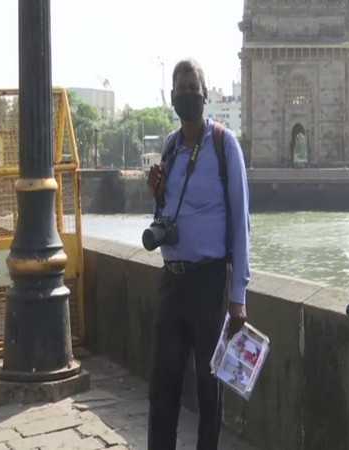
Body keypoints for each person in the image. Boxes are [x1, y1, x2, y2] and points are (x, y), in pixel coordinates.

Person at [146, 58, 251, 450]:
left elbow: (241, 223)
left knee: (210, 390)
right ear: (172, 97)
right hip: (172, 280)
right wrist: (155, 192)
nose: (188, 95)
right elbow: (167, 214)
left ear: (205, 94)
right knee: (162, 385)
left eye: (194, 88)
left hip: (210, 284)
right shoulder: (171, 147)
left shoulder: (225, 145)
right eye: (181, 89)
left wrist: (238, 297)